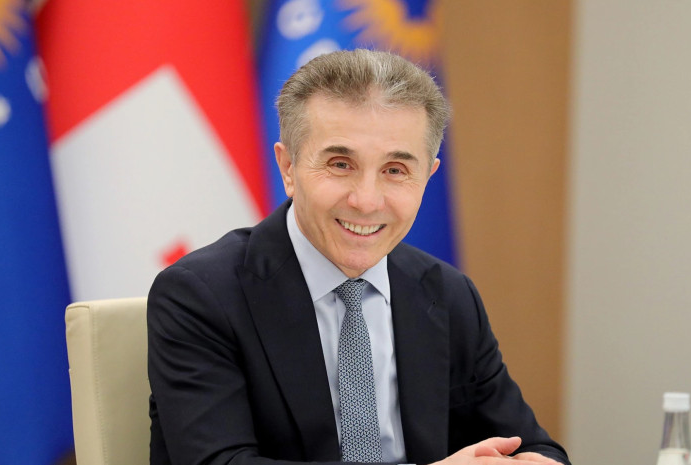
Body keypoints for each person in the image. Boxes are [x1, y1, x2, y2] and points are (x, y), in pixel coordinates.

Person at [147, 49, 571, 465]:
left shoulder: (447, 294)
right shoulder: (201, 295)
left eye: (395, 171)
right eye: (340, 164)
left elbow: (532, 445)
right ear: (289, 167)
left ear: (427, 177)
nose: (367, 201)